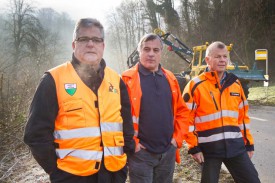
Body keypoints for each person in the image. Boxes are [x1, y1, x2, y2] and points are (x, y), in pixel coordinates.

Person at [24, 18, 135, 183]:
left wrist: (125, 162)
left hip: (113, 174)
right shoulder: (53, 79)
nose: (90, 44)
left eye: (96, 40)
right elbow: (35, 134)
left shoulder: (116, 80)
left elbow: (126, 126)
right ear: (74, 44)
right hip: (71, 176)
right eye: (83, 39)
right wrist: (56, 172)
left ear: (103, 46)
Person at [182, 41, 261, 183]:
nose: (222, 60)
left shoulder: (235, 84)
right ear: (208, 60)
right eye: (218, 56)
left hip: (235, 147)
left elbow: (243, 118)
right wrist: (193, 147)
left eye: (225, 56)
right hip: (209, 150)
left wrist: (248, 143)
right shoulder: (195, 85)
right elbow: (186, 119)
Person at [121, 33, 189, 183]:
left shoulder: (170, 78)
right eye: (146, 49)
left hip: (168, 152)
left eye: (156, 50)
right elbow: (117, 116)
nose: (151, 54)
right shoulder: (127, 79)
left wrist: (176, 140)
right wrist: (133, 143)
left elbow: (182, 112)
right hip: (140, 155)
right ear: (139, 51)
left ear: (161, 53)